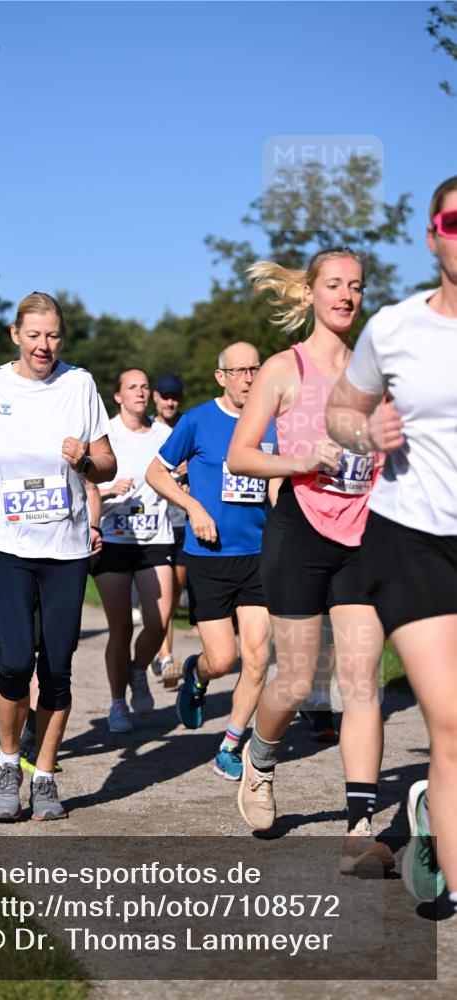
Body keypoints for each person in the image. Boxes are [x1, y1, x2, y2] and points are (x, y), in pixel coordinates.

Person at [227, 247, 394, 875]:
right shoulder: (283, 368)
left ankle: (360, 827)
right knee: (296, 682)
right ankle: (261, 759)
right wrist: (300, 460)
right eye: (333, 285)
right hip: (299, 533)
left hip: (362, 539)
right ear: (312, 294)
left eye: (355, 286)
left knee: (360, 681)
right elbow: (242, 455)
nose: (345, 296)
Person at [326, 176, 457, 911]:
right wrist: (365, 432)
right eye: (455, 220)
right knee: (450, 721)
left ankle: (425, 818)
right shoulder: (395, 327)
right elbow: (344, 412)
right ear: (433, 234)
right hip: (414, 538)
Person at [0, 291, 116, 821]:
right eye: (34, 335)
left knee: (59, 668)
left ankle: (43, 777)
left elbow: (107, 465)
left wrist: (85, 458)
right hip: (6, 544)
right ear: (15, 336)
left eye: (53, 336)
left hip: (65, 550)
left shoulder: (80, 384)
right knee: (17, 661)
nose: (44, 345)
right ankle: (6, 762)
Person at [146, 343, 277, 779]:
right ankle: (195, 674)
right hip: (210, 556)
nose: (248, 378)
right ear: (221, 377)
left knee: (257, 658)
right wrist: (194, 508)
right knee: (222, 660)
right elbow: (156, 472)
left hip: (259, 554)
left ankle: (231, 745)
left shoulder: (272, 421)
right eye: (238, 371)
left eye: (254, 369)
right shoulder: (198, 420)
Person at [92, 368, 175, 733]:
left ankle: (139, 671)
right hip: (113, 538)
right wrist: (110, 491)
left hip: (155, 537)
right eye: (132, 387)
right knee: (121, 626)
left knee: (158, 622)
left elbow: (179, 474)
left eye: (144, 387)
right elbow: (86, 485)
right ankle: (116, 704)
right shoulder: (105, 434)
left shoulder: (166, 434)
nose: (140, 393)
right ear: (118, 396)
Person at [151, 373, 188, 687]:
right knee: (160, 595)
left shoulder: (187, 429)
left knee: (173, 595)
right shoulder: (148, 431)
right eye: (165, 396)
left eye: (174, 396)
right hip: (154, 525)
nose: (170, 402)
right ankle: (164, 657)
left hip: (183, 521)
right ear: (155, 397)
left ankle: (160, 650)